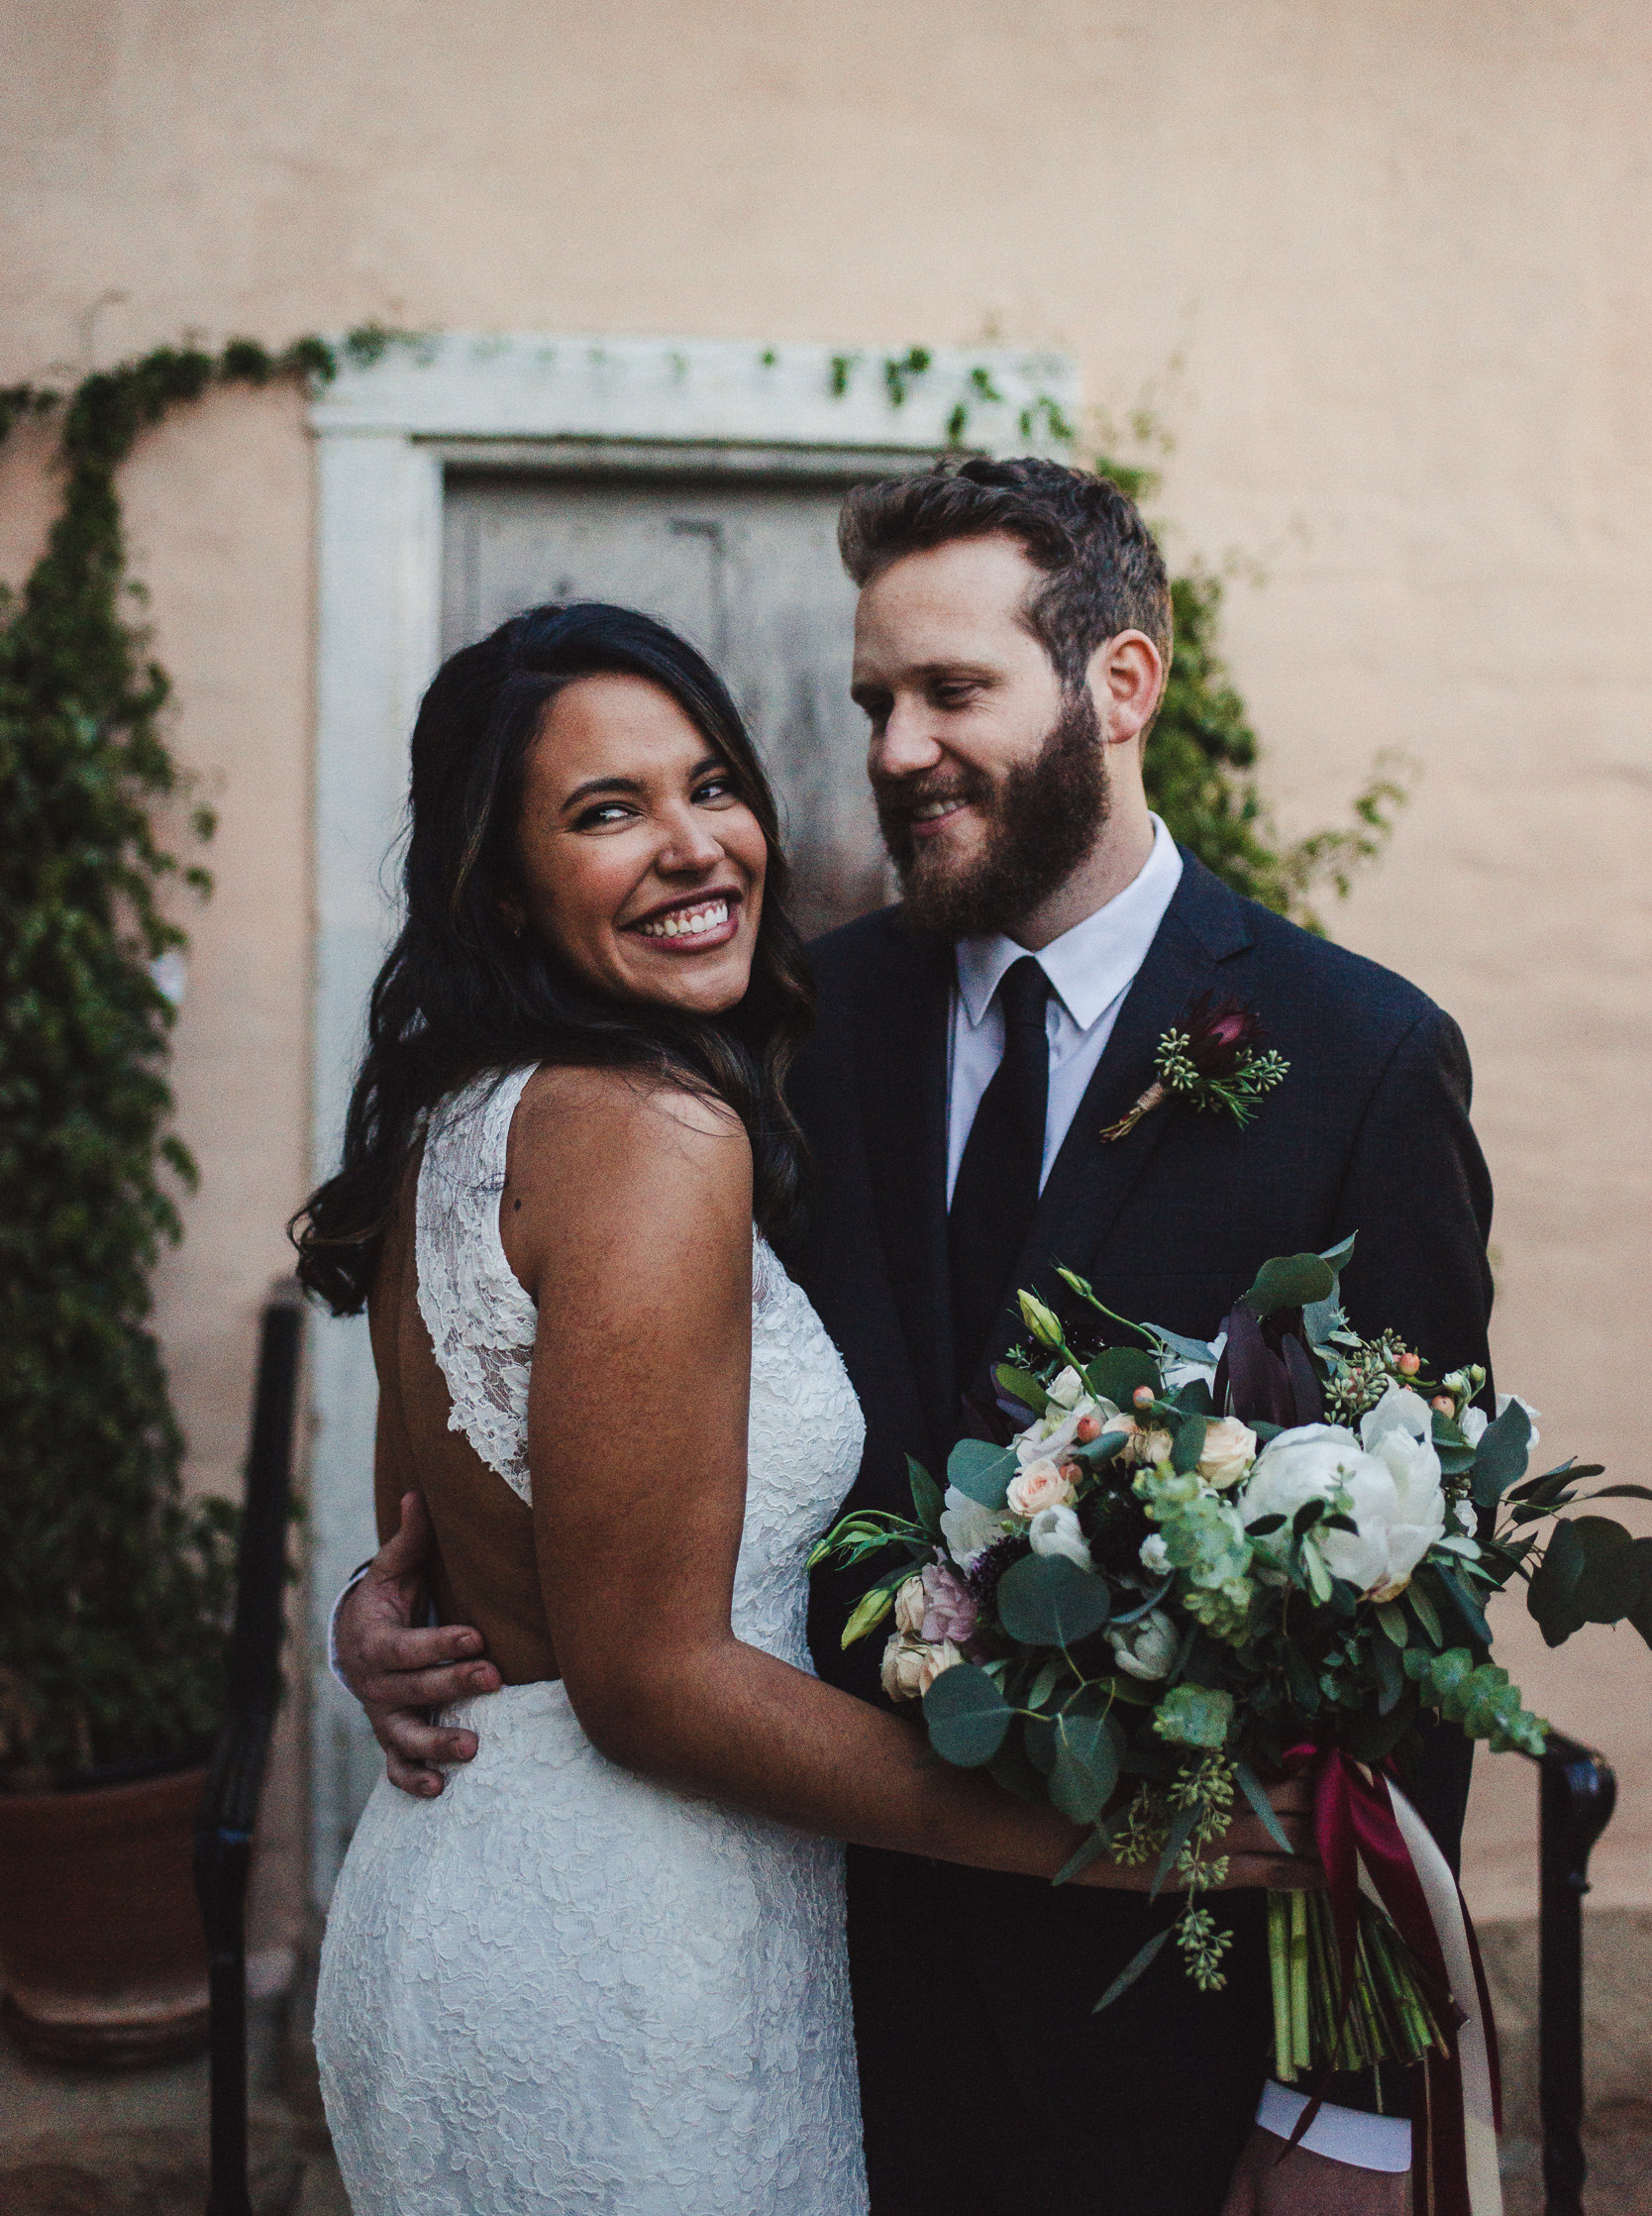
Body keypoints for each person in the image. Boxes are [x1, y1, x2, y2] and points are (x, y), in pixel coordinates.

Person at [301, 596, 1311, 2216]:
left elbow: (420, 1544)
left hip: (471, 1901)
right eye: (606, 812)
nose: (697, 847)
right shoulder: (651, 1134)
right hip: (637, 1972)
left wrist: (372, 1613)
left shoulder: (463, 1120)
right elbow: (649, 1687)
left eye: (712, 784)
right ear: (502, 886)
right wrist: (1107, 1838)